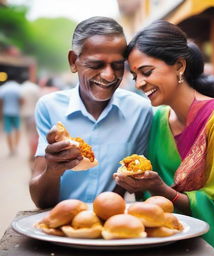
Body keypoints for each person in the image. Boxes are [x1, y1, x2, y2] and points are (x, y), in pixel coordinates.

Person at [114, 20, 214, 256]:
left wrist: (161, 189)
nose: (139, 84)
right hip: (166, 241)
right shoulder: (158, 119)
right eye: (135, 75)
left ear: (179, 65)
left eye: (147, 72)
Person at [29, 17, 152, 209]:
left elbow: (129, 183)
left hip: (111, 225)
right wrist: (53, 170)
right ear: (73, 62)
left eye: (118, 66)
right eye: (96, 65)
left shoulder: (140, 110)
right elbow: (41, 201)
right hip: (62, 223)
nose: (109, 75)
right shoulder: (50, 106)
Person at [0, 77, 23, 156]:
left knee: (8, 131)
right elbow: (22, 100)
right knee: (17, 130)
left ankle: (11, 149)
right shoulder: (18, 88)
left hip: (6, 112)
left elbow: (1, 102)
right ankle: (16, 146)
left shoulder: (3, 88)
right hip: (16, 112)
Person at [21, 79, 41, 161]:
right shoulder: (35, 88)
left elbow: (21, 101)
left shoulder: (22, 88)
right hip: (34, 114)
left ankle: (31, 152)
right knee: (35, 135)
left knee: (28, 134)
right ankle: (32, 153)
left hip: (25, 113)